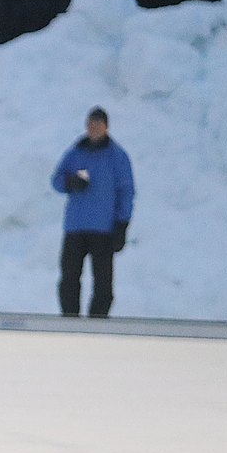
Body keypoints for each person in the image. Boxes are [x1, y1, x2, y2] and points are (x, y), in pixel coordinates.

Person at [51, 106, 135, 317]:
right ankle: (70, 320)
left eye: (98, 124)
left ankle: (97, 322)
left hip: (103, 229)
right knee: (69, 277)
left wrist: (122, 224)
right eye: (90, 124)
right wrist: (70, 182)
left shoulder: (117, 156)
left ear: (106, 127)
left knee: (103, 282)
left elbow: (126, 191)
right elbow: (56, 180)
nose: (93, 128)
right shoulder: (75, 152)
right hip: (76, 227)